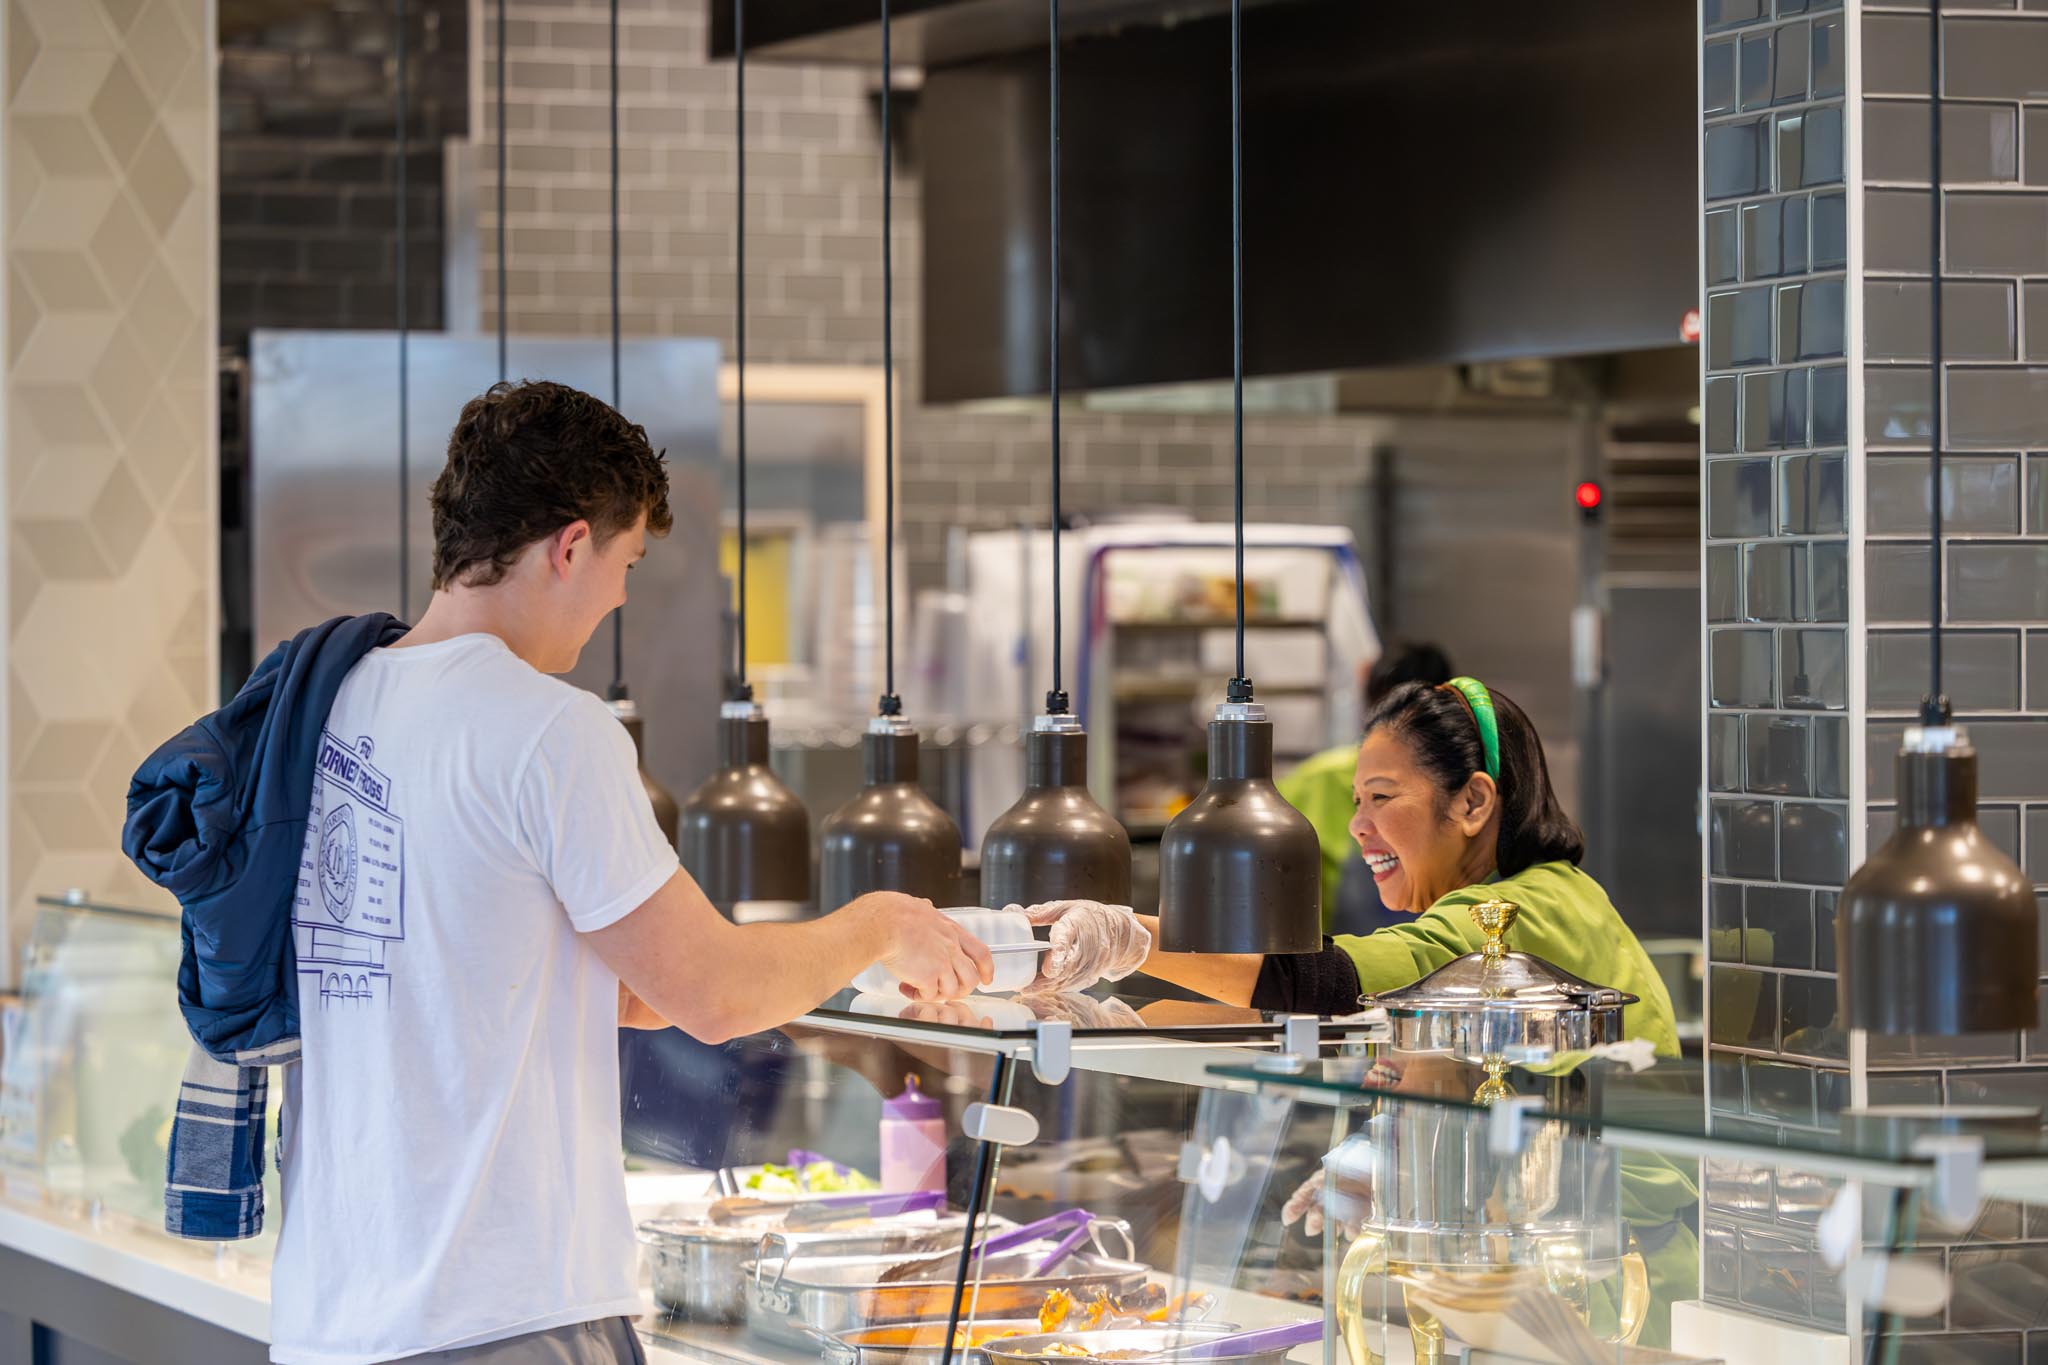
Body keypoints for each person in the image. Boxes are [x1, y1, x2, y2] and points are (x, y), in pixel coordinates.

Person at [256, 381, 990, 1365]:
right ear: (569, 545)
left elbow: (502, 971)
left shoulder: (326, 710)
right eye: (626, 561)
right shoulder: (550, 731)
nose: (620, 598)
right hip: (499, 1317)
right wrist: (879, 924)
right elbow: (716, 997)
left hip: (331, 1318)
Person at [1026, 676, 1694, 1345]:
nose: (1357, 825)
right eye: (1355, 800)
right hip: (1552, 1269)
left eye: (1380, 796)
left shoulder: (1521, 909)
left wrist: (1130, 939)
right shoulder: (1536, 895)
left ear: (1473, 800)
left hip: (1618, 1293)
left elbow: (1330, 986)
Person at [1277, 641, 1455, 934]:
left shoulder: (1461, 785)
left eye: (1382, 796)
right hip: (1344, 966)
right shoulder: (1316, 780)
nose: (1361, 825)